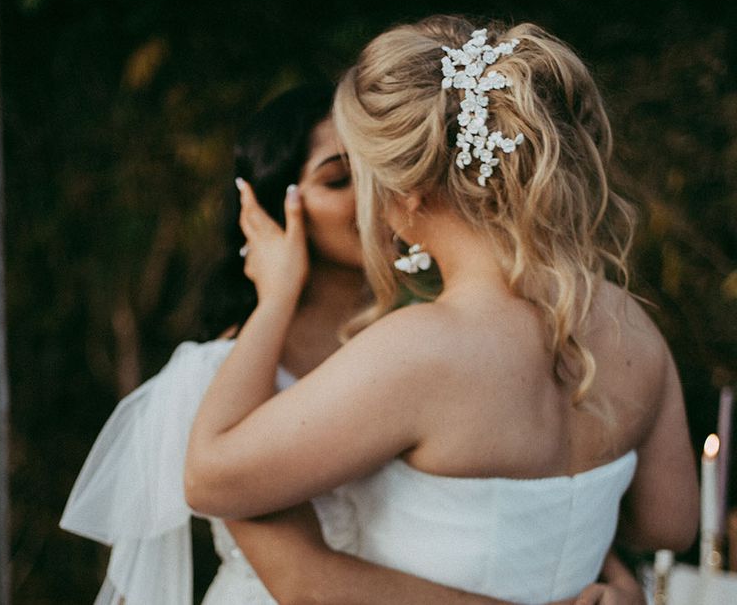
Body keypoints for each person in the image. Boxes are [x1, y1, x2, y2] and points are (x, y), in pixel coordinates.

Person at [61, 83, 643, 604]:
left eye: (381, 170)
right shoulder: (219, 379)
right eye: (340, 179)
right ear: (272, 209)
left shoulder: (419, 345)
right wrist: (276, 298)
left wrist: (598, 562)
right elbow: (306, 584)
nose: (375, 196)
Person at [185, 17, 699, 604]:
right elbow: (667, 524)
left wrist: (274, 297)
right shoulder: (632, 324)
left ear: (405, 190)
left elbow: (208, 479)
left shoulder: (416, 350)